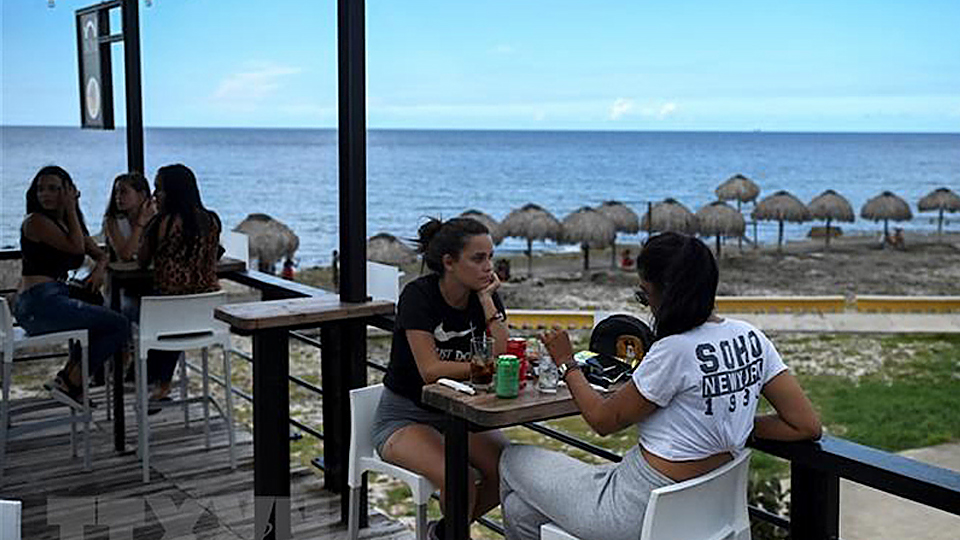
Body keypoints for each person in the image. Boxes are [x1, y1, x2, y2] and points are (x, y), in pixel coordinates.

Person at [499, 232, 821, 540]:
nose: (647, 305)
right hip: (703, 510)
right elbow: (805, 424)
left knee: (511, 459)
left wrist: (566, 362)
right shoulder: (752, 337)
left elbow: (602, 421)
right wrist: (730, 423)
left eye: (644, 294)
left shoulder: (674, 350)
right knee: (520, 512)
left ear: (666, 293)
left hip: (634, 509)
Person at [372, 217, 509, 539]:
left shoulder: (484, 295)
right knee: (459, 477)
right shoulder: (419, 295)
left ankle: (444, 534)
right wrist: (484, 366)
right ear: (449, 262)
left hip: (458, 415)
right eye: (478, 258)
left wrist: (488, 301)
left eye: (490, 256)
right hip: (404, 417)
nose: (488, 267)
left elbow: (504, 355)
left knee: (506, 471)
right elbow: (430, 371)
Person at [14, 165, 130, 406]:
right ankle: (70, 381)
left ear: (67, 191)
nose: (45, 194)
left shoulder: (67, 225)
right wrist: (70, 208)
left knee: (99, 306)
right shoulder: (35, 222)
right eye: (41, 189)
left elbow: (101, 255)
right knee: (119, 324)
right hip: (37, 303)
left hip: (55, 297)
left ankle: (69, 381)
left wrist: (99, 270)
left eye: (53, 189)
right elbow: (77, 248)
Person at [137, 164, 222, 401]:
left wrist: (144, 223)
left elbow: (141, 261)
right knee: (174, 309)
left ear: (173, 191)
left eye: (159, 189)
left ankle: (141, 376)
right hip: (206, 315)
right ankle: (161, 382)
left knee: (127, 312)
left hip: (168, 317)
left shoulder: (162, 223)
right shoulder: (212, 220)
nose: (154, 195)